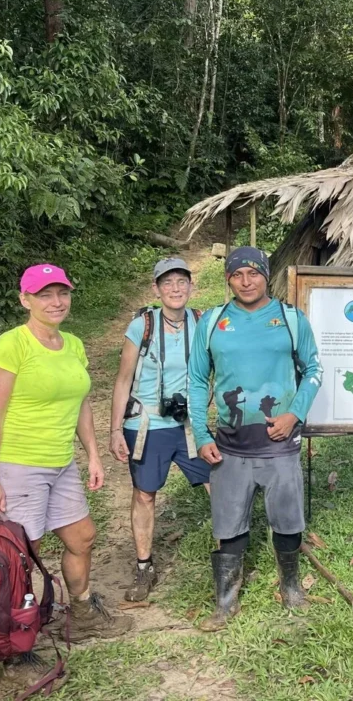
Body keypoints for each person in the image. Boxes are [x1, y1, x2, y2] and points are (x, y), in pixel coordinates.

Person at [0, 264, 131, 642]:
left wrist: (92, 455)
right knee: (20, 557)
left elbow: (80, 404)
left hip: (61, 463)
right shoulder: (8, 347)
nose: (56, 302)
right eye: (44, 294)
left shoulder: (73, 345)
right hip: (20, 465)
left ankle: (80, 614)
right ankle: (12, 640)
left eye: (62, 293)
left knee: (82, 537)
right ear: (24, 299)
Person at [187, 247, 323, 631]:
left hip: (279, 440)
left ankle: (291, 587)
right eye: (237, 274)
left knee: (288, 516)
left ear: (266, 275)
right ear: (228, 279)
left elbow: (313, 369)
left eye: (253, 273)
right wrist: (200, 433)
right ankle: (226, 602)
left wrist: (294, 413)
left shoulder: (290, 319)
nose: (246, 281)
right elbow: (197, 381)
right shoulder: (212, 322)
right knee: (228, 522)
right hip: (229, 443)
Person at [109, 258, 211, 602]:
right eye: (167, 283)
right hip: (147, 423)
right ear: (156, 289)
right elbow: (123, 379)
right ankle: (143, 567)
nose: (176, 288)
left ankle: (230, 554)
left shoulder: (202, 321)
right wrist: (114, 431)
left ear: (191, 286)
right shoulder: (142, 326)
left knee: (219, 481)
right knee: (145, 494)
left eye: (182, 281)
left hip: (189, 424)